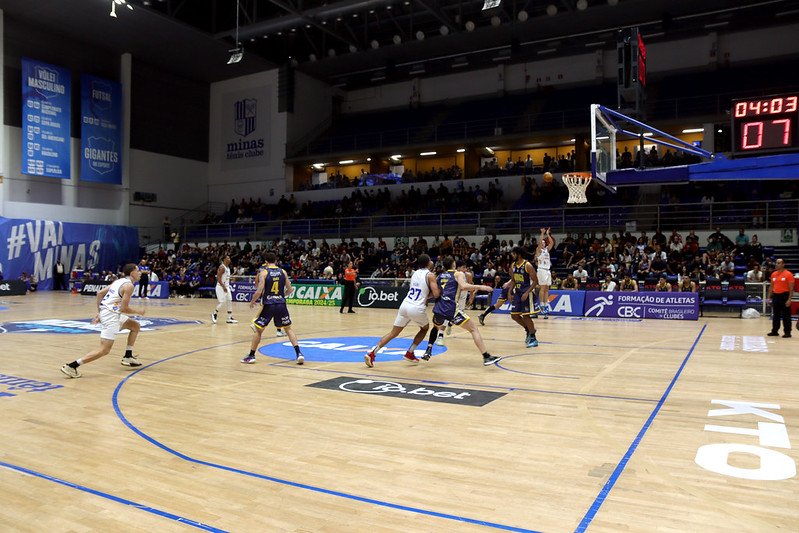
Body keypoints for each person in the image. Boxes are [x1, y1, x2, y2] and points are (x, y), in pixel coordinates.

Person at [60, 263, 145, 378]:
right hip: (111, 316)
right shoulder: (129, 286)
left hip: (109, 312)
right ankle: (72, 366)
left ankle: (128, 356)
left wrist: (100, 313)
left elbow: (99, 293)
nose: (140, 272)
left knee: (135, 326)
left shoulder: (119, 281)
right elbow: (124, 308)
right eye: (138, 270)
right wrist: (138, 311)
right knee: (104, 350)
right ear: (132, 273)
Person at [364, 254, 440, 368]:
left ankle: (372, 353)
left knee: (393, 333)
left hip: (405, 305)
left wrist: (426, 295)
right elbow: (436, 294)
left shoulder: (414, 273)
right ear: (428, 262)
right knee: (424, 329)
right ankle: (410, 352)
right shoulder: (430, 275)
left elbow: (420, 290)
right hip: (416, 307)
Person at [420, 258, 500, 366]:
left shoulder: (440, 275)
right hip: (451, 309)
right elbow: (464, 286)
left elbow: (435, 293)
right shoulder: (458, 274)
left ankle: (428, 350)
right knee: (474, 329)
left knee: (436, 327)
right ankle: (486, 357)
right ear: (454, 264)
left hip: (439, 308)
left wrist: (424, 298)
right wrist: (481, 287)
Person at [241, 252, 304, 364]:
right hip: (281, 304)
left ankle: (251, 355)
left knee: (258, 331)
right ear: (275, 260)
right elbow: (290, 290)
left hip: (269, 304)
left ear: (266, 261)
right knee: (288, 329)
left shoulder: (264, 272)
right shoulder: (283, 271)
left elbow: (259, 290)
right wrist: (281, 296)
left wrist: (252, 301)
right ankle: (299, 353)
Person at [508, 246, 540, 348]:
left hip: (526, 293)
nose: (512, 255)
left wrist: (527, 292)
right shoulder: (513, 265)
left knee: (526, 316)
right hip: (517, 293)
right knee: (514, 316)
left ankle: (533, 338)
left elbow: (535, 281)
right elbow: (513, 280)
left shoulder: (527, 265)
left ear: (518, 254)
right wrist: (509, 292)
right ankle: (528, 330)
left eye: (513, 253)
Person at [767, 258, 794, 338]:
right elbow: (771, 287)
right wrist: (769, 297)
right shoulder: (773, 274)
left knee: (786, 315)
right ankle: (774, 331)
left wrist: (789, 299)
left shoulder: (788, 274)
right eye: (776, 263)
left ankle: (787, 332)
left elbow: (791, 288)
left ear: (783, 264)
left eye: (778, 263)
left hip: (784, 296)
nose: (776, 264)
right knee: (776, 315)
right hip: (776, 296)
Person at [535, 227, 555, 318]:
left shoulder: (546, 250)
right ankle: (542, 305)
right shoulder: (538, 250)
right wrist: (542, 233)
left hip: (547, 271)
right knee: (542, 288)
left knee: (547, 289)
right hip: (541, 270)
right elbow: (539, 243)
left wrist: (547, 234)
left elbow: (552, 243)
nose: (543, 243)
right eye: (542, 242)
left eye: (544, 242)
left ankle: (546, 304)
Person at [211, 255, 238, 324]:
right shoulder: (222, 267)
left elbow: (225, 277)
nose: (229, 259)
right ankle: (214, 313)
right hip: (220, 287)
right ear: (224, 259)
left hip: (226, 286)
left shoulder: (228, 268)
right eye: (228, 258)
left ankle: (229, 318)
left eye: (229, 258)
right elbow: (218, 278)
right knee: (222, 302)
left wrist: (231, 277)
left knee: (229, 301)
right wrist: (223, 287)